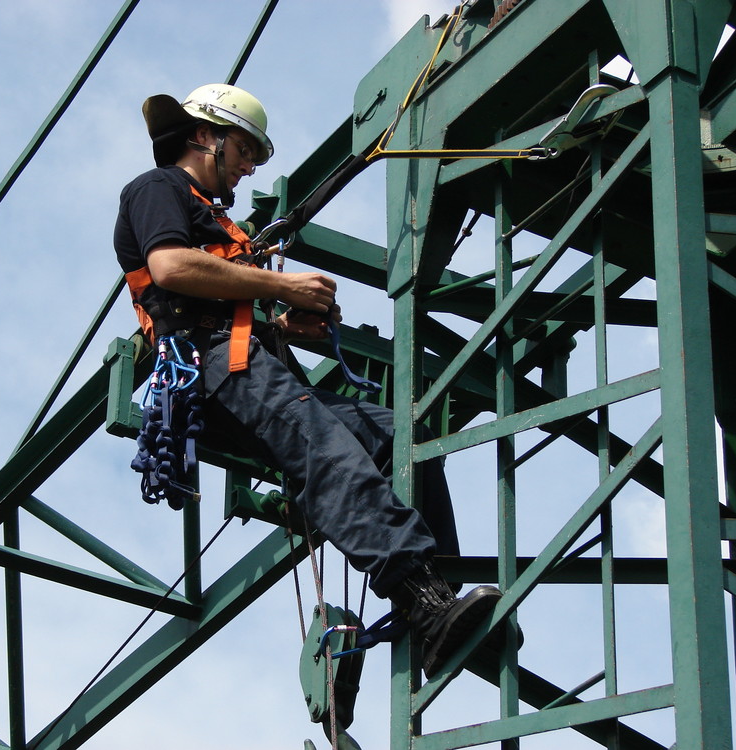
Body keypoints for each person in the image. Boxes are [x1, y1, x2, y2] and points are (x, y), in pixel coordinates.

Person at [113, 83, 502, 679]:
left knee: (401, 435)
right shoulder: (157, 189)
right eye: (244, 149)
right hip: (215, 368)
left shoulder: (216, 218)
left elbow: (224, 297)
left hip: (250, 361)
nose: (247, 166)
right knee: (331, 457)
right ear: (202, 136)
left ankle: (436, 599)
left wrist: (287, 326)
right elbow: (169, 267)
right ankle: (426, 605)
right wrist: (282, 287)